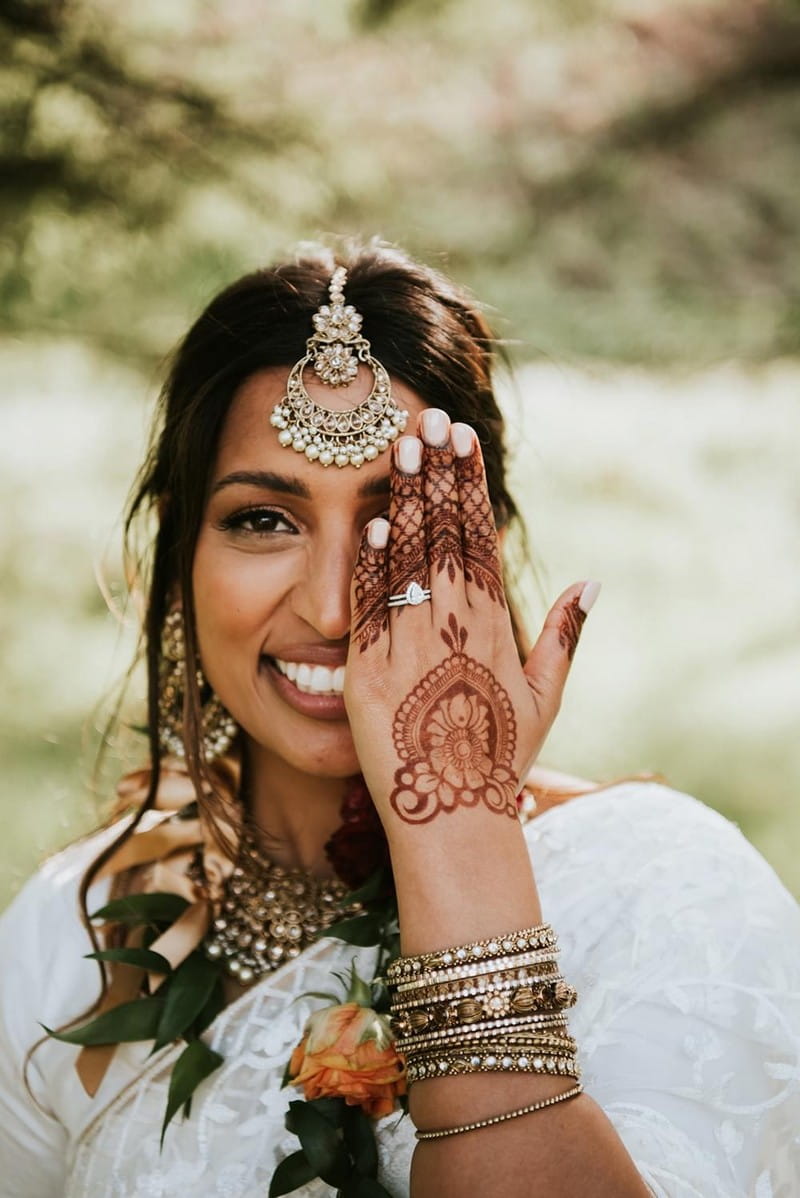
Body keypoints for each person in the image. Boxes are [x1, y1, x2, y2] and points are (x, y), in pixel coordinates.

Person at [0, 241, 797, 1198]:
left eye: (398, 529)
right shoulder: (75, 932)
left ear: (482, 558)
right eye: (264, 520)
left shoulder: (662, 887)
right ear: (179, 554)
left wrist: (455, 826)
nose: (334, 610)